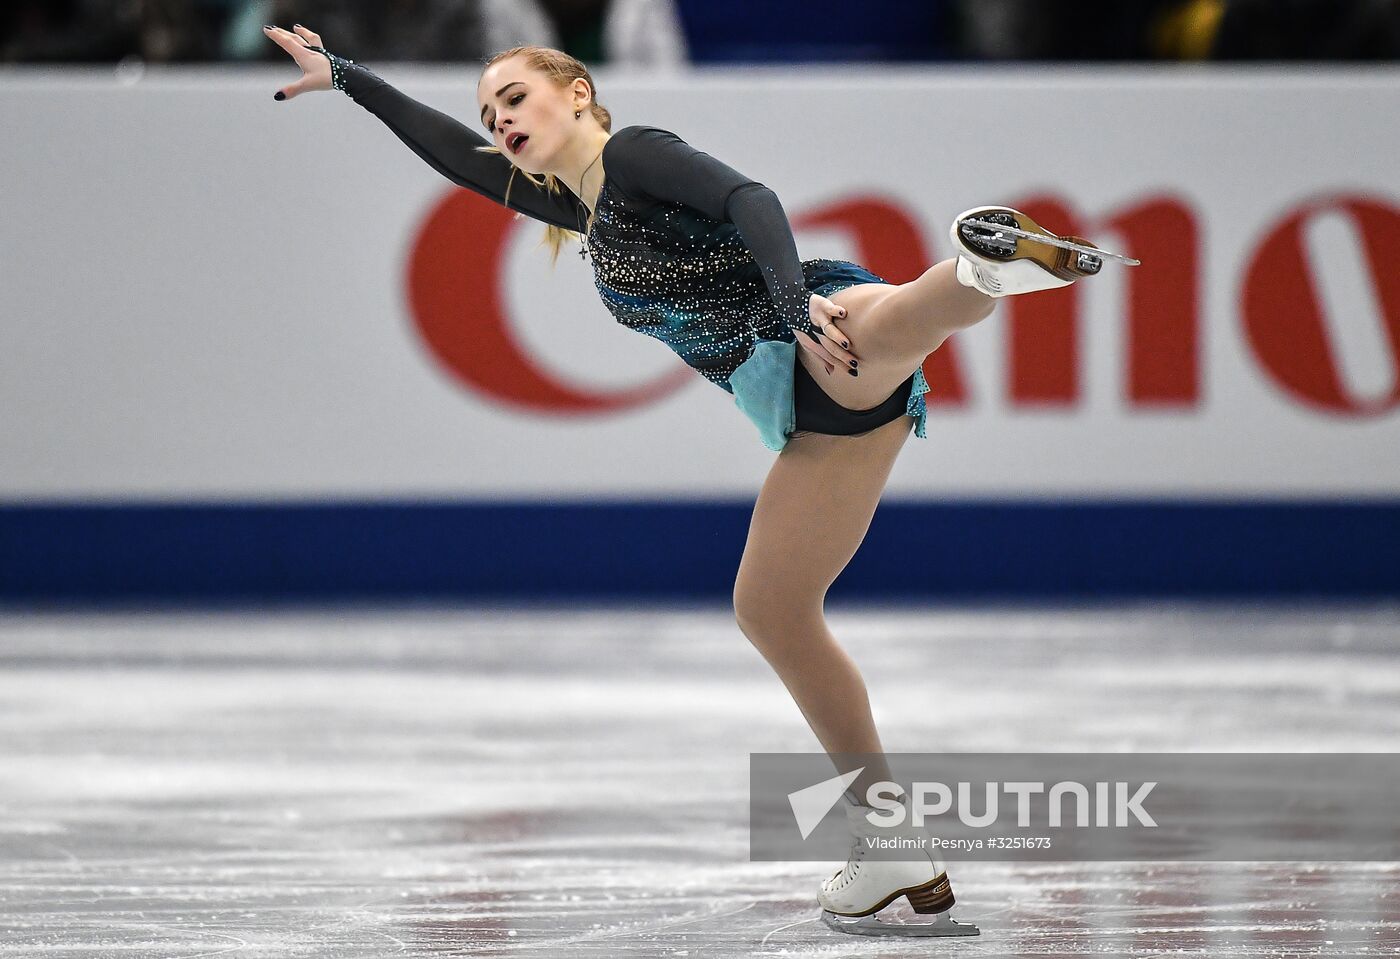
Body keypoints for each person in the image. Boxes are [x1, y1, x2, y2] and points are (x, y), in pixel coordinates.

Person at [262, 22, 1107, 937]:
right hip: (799, 392)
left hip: (809, 322)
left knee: (880, 331)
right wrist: (349, 79)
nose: (498, 121)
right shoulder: (579, 210)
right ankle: (888, 833)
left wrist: (788, 298)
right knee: (773, 606)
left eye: (514, 99)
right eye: (490, 112)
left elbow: (750, 195)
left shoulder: (634, 154)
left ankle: (984, 269)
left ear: (576, 92)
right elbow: (456, 158)